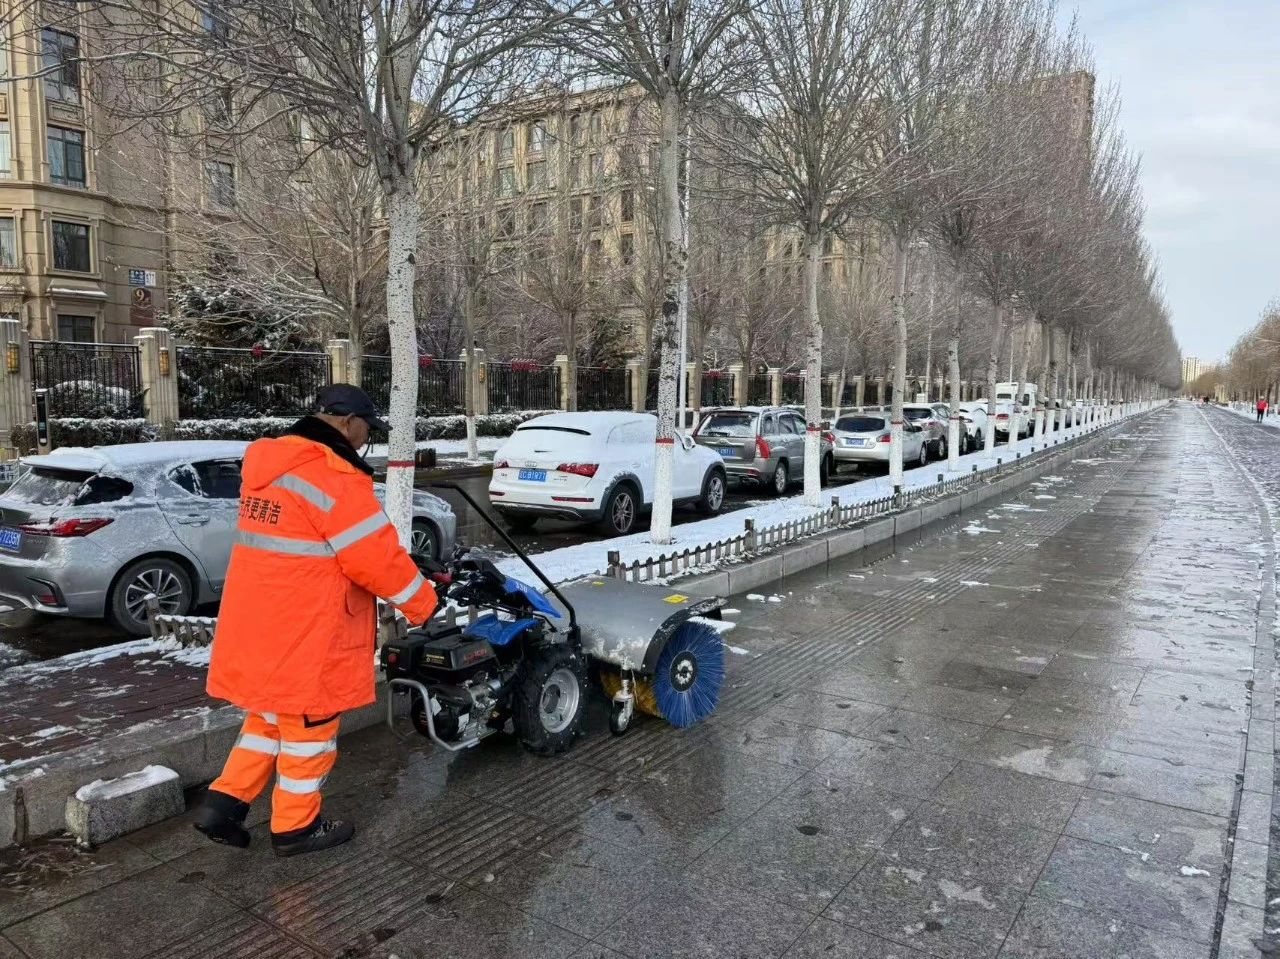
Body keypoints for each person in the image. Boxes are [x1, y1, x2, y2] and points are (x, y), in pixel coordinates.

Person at [193, 384, 438, 857]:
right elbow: (375, 558)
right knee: (310, 730)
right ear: (347, 422)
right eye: (367, 429)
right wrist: (423, 604)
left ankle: (222, 807)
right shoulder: (333, 476)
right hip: (308, 630)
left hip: (260, 621)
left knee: (269, 717)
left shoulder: (269, 466)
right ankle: (296, 828)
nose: (366, 439)